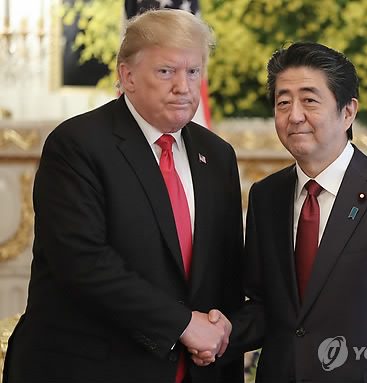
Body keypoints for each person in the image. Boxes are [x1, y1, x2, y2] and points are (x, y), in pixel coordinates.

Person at [3, 9, 243, 383]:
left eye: (193, 71)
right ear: (127, 76)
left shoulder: (218, 155)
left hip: (194, 370)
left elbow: (224, 269)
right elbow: (82, 263)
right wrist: (182, 324)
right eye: (166, 71)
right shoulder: (77, 145)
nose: (183, 85)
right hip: (90, 368)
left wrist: (219, 329)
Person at [194, 42, 367, 382]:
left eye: (309, 100)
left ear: (348, 112)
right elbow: (264, 306)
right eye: (283, 102)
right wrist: (220, 332)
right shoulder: (265, 196)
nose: (294, 115)